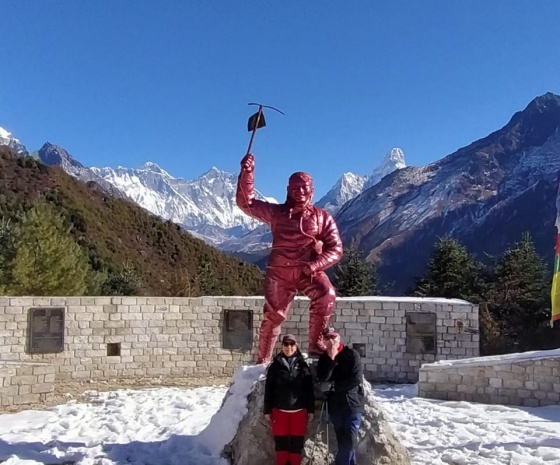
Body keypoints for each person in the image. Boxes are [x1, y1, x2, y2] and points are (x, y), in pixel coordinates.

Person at [236, 153, 343, 363]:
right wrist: (247, 172)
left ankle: (316, 345)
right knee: (274, 315)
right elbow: (245, 203)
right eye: (295, 186)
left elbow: (336, 248)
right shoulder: (276, 213)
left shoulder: (323, 217)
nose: (300, 190)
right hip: (279, 274)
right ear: (287, 190)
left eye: (304, 186)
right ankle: (263, 359)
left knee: (326, 295)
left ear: (312, 190)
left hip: (308, 271)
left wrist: (315, 265)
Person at [263, 334, 316, 465]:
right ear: (282, 346)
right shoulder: (275, 366)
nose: (289, 347)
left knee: (296, 444)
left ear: (296, 346)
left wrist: (311, 409)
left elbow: (309, 389)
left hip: (298, 411)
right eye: (286, 344)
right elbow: (268, 389)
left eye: (292, 344)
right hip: (279, 411)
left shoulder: (303, 365)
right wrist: (267, 410)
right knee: (281, 444)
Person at [316, 327, 364, 465]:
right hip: (335, 406)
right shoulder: (324, 359)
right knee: (342, 440)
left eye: (333, 337)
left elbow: (355, 379)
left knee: (349, 440)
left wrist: (334, 387)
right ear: (324, 342)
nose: (331, 341)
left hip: (352, 404)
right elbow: (323, 379)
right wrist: (331, 360)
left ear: (339, 338)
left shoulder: (352, 354)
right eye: (327, 338)